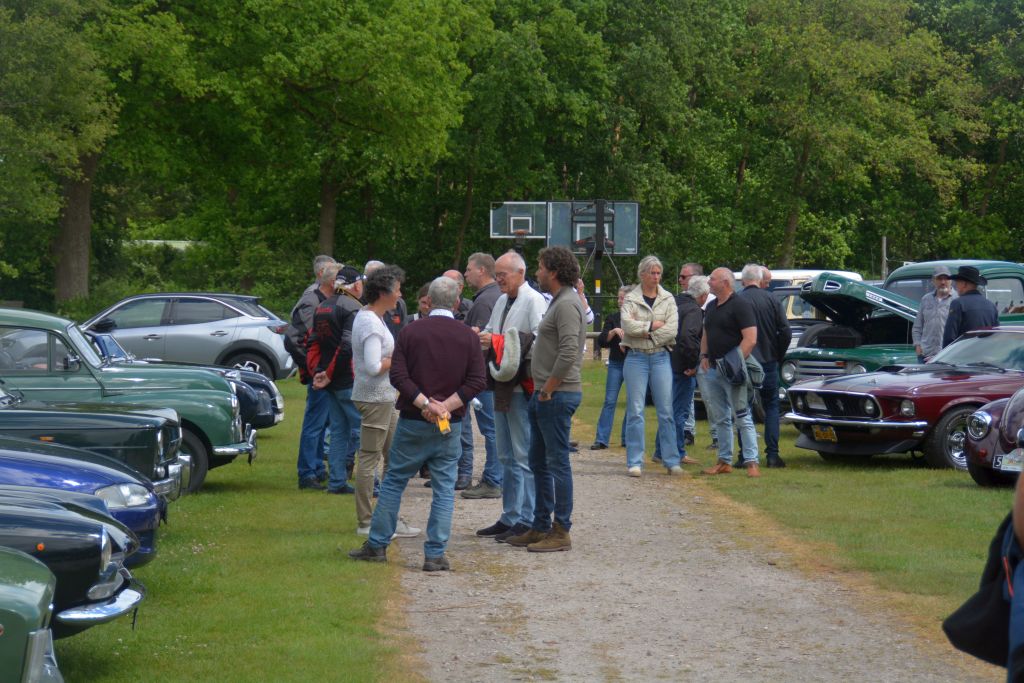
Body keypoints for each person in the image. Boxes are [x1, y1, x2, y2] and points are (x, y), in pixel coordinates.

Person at [348, 276, 486, 571]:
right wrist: (445, 407)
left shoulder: (411, 332)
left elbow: (399, 376)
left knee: (394, 481)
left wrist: (425, 403)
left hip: (413, 419)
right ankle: (434, 554)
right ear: (457, 303)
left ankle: (377, 544)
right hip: (449, 423)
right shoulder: (468, 337)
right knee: (444, 488)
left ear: (429, 301)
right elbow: (476, 380)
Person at [504, 246, 585, 552]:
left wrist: (549, 387)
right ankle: (540, 526)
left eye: (539, 267)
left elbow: (569, 351)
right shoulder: (559, 301)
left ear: (553, 271)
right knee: (539, 461)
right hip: (545, 393)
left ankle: (561, 530)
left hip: (557, 394)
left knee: (557, 462)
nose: (536, 272)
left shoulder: (567, 304)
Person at [475, 251, 548, 542]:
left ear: (520, 273)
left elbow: (541, 340)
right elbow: (492, 331)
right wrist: (483, 336)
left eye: (503, 275)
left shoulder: (533, 300)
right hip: (501, 384)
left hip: (520, 386)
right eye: (497, 275)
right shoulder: (502, 300)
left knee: (523, 454)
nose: (498, 280)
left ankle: (527, 518)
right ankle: (510, 515)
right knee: (505, 454)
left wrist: (496, 341)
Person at [350, 264, 419, 539]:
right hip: (375, 398)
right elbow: (373, 366)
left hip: (384, 397)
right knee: (369, 459)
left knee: (395, 458)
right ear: (383, 292)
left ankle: (388, 518)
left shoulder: (373, 317)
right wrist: (399, 359)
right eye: (397, 290)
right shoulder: (369, 322)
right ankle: (366, 522)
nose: (400, 295)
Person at [619, 255, 681, 476]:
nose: (656, 277)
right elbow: (627, 325)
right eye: (652, 273)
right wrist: (652, 326)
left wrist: (647, 333)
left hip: (661, 357)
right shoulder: (631, 298)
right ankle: (635, 461)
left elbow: (672, 330)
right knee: (636, 411)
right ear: (642, 274)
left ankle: (671, 460)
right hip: (636, 358)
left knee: (666, 411)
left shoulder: (668, 298)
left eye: (658, 273)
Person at [307, 264, 364, 495]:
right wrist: (328, 374)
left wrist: (318, 372)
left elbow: (313, 343)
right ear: (356, 285)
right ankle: (372, 483)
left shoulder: (322, 306)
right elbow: (347, 346)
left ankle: (337, 481)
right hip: (348, 379)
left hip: (330, 381)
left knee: (339, 432)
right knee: (363, 431)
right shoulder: (354, 308)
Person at [700, 267, 761, 477]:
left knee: (742, 415)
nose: (709, 282)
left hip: (732, 371)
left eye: (712, 279)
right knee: (720, 417)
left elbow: (750, 339)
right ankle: (724, 461)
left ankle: (752, 462)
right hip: (712, 369)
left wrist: (733, 364)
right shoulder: (711, 306)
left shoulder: (740, 305)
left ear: (725, 282)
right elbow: (706, 333)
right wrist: (704, 356)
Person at [286, 254, 335, 490]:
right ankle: (307, 473)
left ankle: (316, 467)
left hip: (325, 371)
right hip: (319, 372)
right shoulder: (311, 301)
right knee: (315, 423)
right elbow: (303, 338)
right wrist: (314, 368)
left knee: (322, 421)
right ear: (329, 280)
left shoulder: (324, 300)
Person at [460, 253, 503, 500]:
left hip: (486, 377)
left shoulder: (485, 301)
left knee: (491, 429)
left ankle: (493, 479)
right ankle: (497, 477)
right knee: (495, 428)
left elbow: (481, 345)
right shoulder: (493, 296)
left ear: (482, 271)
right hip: (492, 375)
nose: (465, 274)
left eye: (469, 269)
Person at [739, 264, 791, 468]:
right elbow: (785, 331)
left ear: (743, 280)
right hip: (769, 360)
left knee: (744, 407)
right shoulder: (772, 300)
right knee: (771, 406)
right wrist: (778, 354)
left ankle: (745, 455)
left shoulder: (738, 300)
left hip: (745, 360)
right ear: (760, 280)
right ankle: (772, 455)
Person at [657, 274, 708, 466]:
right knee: (679, 412)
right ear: (703, 295)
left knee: (667, 410)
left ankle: (660, 450)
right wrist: (692, 364)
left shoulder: (672, 303)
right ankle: (677, 451)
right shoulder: (694, 310)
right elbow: (688, 337)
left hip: (664, 362)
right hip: (681, 367)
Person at [590, 285, 632, 450]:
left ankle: (627, 438)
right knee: (610, 400)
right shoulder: (613, 318)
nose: (619, 301)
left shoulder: (637, 318)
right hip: (616, 363)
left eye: (623, 298)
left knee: (632, 402)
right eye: (618, 298)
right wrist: (613, 331)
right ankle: (602, 439)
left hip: (633, 363)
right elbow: (602, 341)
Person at [678, 262, 705, 446]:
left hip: (702, 358)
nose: (680, 280)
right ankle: (686, 433)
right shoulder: (680, 301)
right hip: (686, 359)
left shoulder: (706, 302)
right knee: (684, 400)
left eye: (683, 277)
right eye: (679, 277)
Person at [943, 265, 999, 347]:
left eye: (957, 282)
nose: (956, 285)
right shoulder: (991, 306)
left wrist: (944, 354)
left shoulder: (958, 303)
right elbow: (996, 335)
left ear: (964, 284)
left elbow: (949, 337)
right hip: (986, 352)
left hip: (963, 353)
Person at [913, 266, 956, 362]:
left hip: (948, 356)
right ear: (933, 281)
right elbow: (917, 326)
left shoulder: (957, 300)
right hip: (925, 355)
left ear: (951, 280)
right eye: (939, 279)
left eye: (946, 278)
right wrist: (917, 345)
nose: (943, 282)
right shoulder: (926, 299)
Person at [364, 259, 408, 338]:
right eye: (370, 278)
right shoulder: (366, 315)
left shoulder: (399, 304)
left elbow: (404, 332)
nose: (400, 294)